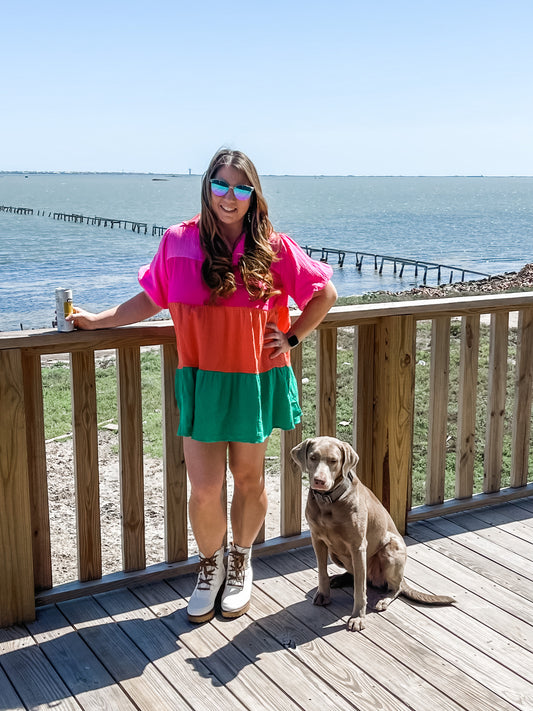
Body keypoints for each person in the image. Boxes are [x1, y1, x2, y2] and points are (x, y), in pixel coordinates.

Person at [69, 148, 337, 623]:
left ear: (253, 195)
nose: (229, 197)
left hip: (254, 378)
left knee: (250, 479)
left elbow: (324, 293)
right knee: (204, 487)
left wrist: (292, 335)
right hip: (201, 377)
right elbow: (150, 298)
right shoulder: (178, 241)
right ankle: (209, 568)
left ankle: (241, 562)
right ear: (207, 187)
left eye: (240, 187)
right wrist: (97, 320)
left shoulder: (272, 246)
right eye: (220, 185)